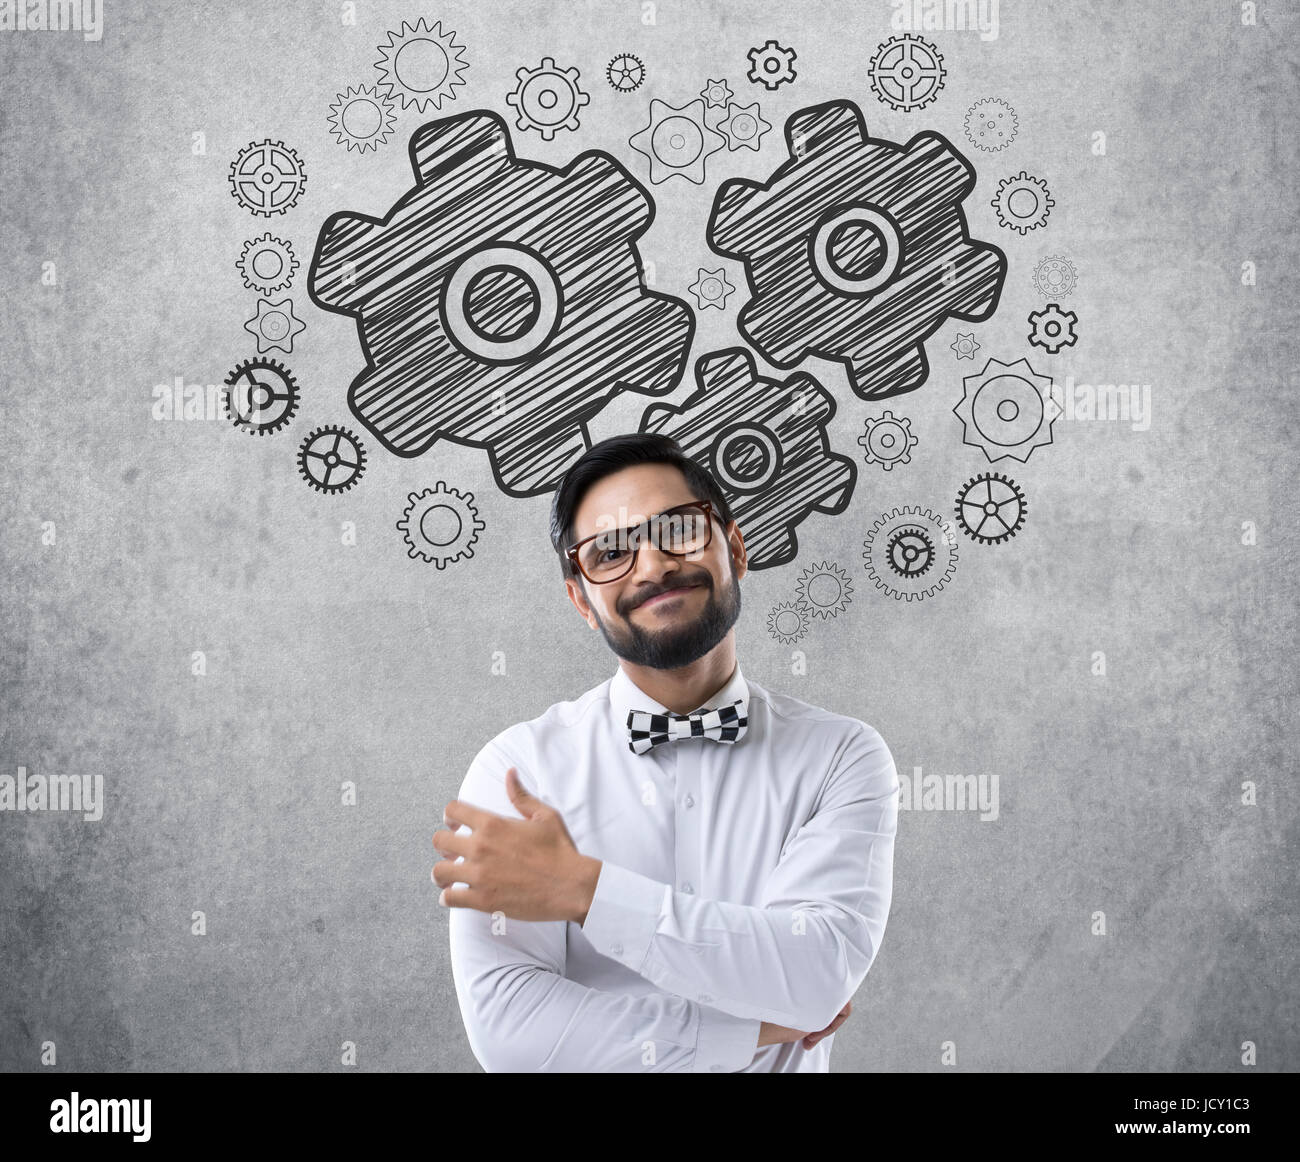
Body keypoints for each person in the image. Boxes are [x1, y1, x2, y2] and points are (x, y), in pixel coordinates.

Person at [434, 432, 899, 1072]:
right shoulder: (518, 771)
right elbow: (513, 1034)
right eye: (610, 553)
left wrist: (585, 891)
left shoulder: (842, 756)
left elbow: (818, 976)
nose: (651, 567)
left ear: (733, 548)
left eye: (677, 530)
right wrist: (758, 1024)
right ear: (581, 601)